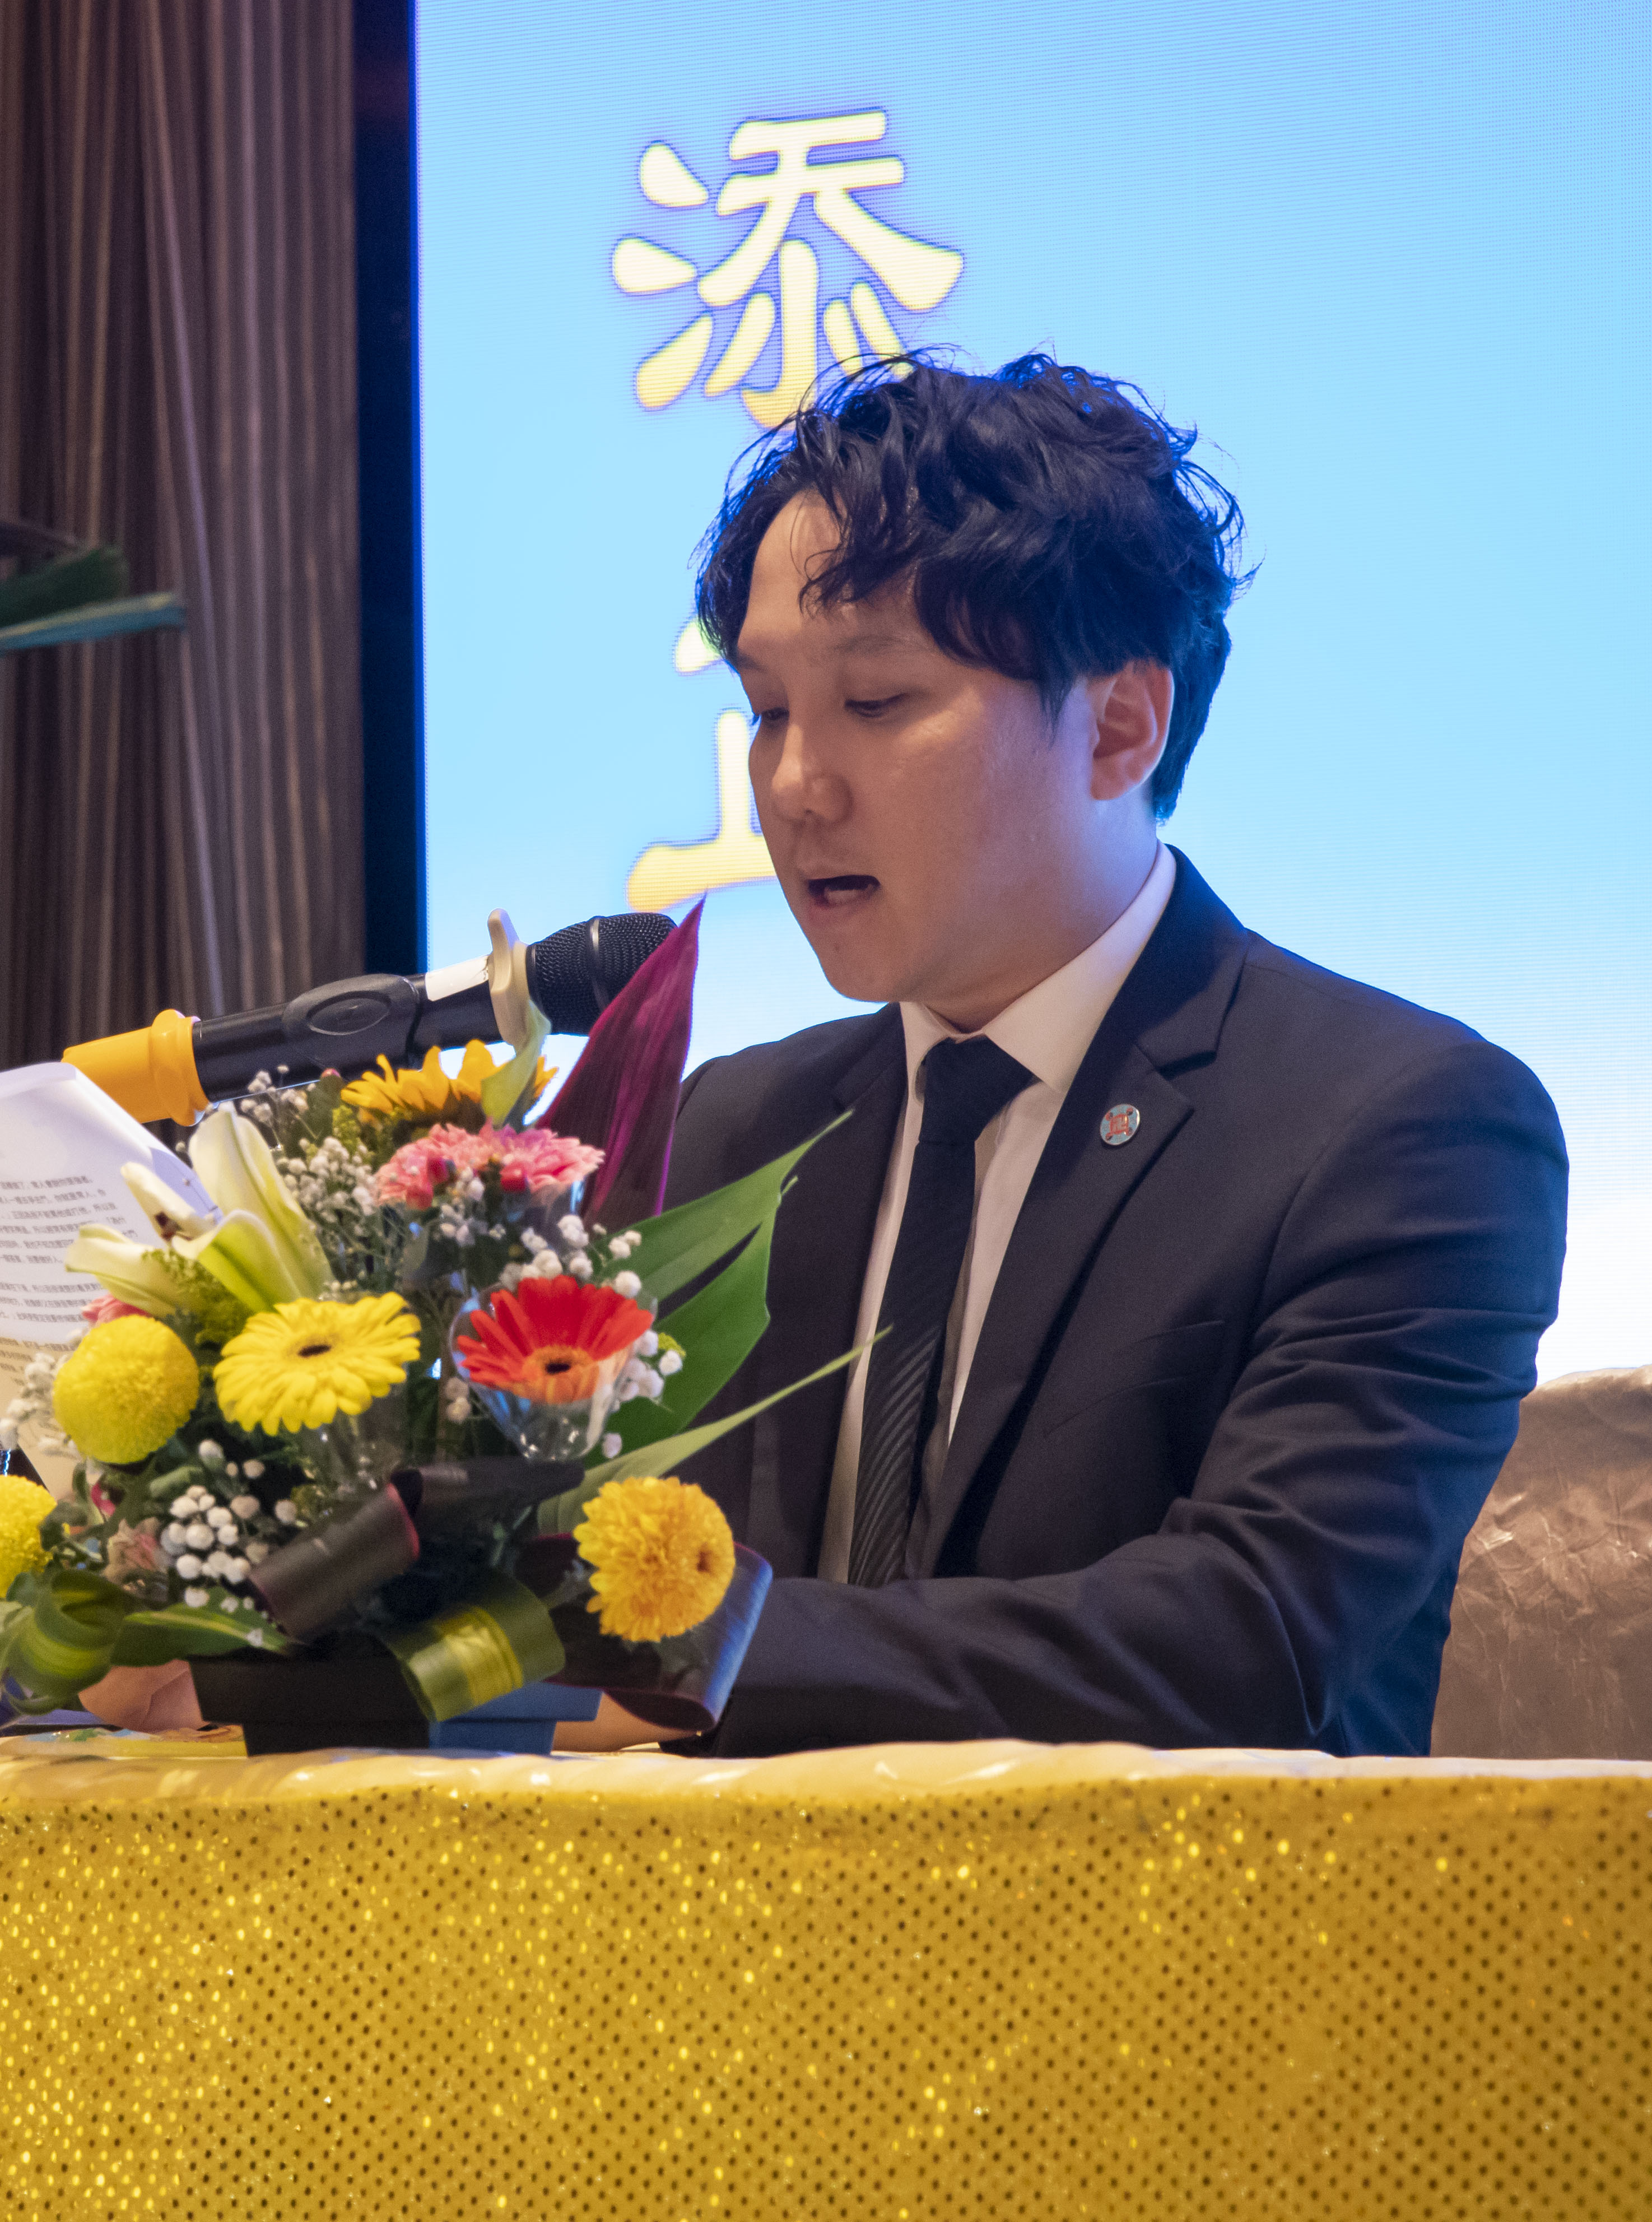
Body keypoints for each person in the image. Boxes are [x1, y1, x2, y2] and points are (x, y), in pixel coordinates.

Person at [555, 352, 1567, 1756]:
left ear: (1120, 725)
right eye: (771, 709)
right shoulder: (733, 1128)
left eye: (877, 701)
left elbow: (1242, 1638)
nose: (794, 786)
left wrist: (698, 1655)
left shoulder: (1402, 1128)